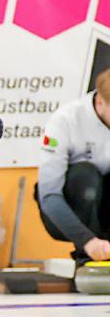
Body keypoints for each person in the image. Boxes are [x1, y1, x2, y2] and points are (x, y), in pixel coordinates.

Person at [35, 70, 110, 263]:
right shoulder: (65, 121)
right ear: (100, 102)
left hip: (104, 204)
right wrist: (88, 241)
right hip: (69, 207)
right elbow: (49, 196)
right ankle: (87, 255)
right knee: (85, 175)